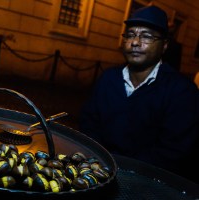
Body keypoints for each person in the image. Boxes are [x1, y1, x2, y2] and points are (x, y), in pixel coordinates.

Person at [79, 5, 199, 183]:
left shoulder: (182, 92)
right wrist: (99, 165)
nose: (135, 42)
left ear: (164, 45)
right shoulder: (108, 78)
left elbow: (173, 153)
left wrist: (123, 172)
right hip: (99, 173)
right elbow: (89, 126)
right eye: (130, 34)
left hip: (146, 183)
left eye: (146, 36)